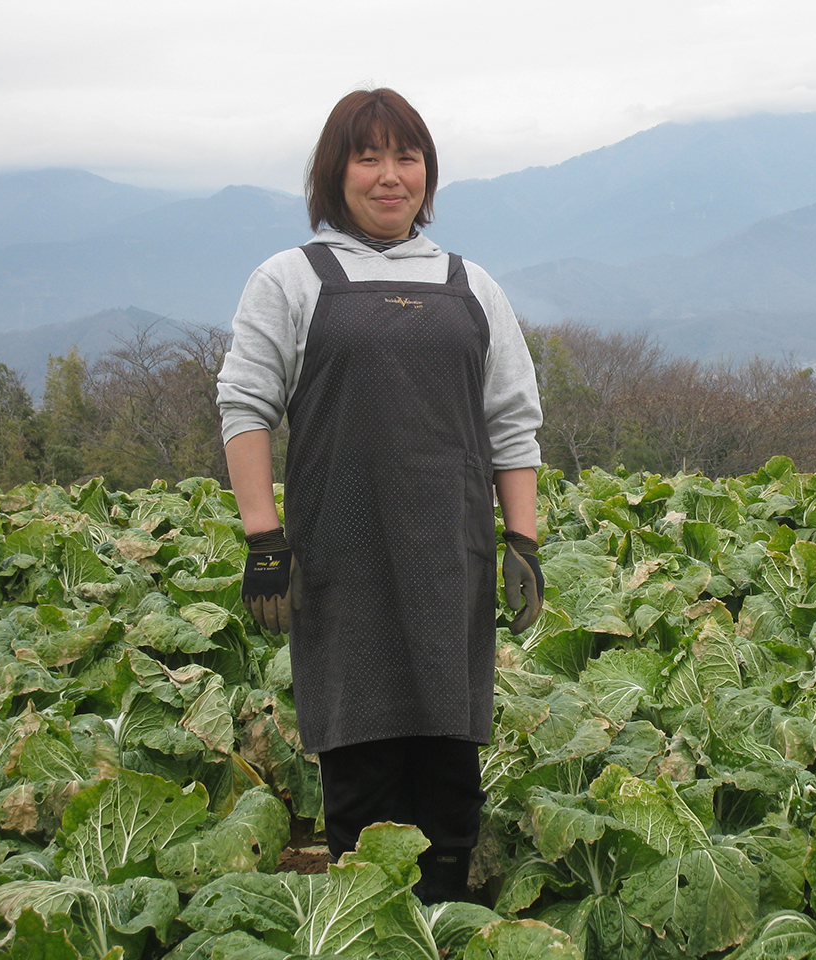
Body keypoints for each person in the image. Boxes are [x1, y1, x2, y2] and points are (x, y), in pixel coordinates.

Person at [216, 88, 544, 904]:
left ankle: (446, 914)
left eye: (407, 156)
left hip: (449, 558)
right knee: (359, 756)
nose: (389, 175)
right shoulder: (290, 279)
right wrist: (264, 538)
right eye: (368, 156)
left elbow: (513, 425)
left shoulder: (472, 285)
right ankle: (371, 916)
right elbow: (246, 407)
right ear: (336, 173)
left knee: (449, 754)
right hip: (343, 555)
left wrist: (523, 543)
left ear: (427, 174)